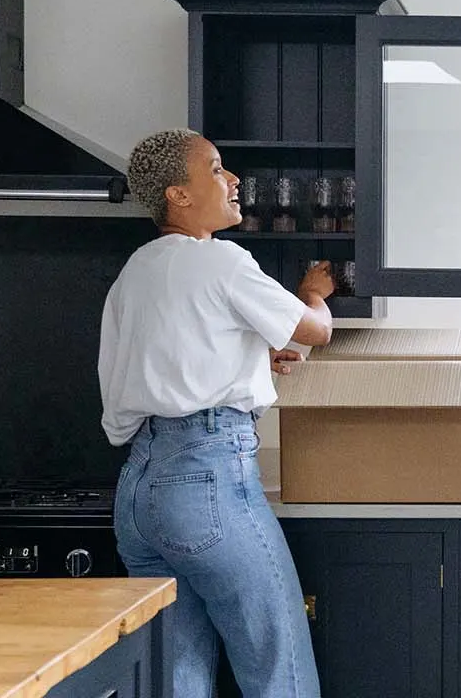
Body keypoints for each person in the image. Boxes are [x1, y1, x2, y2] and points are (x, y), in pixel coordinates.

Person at [98, 128, 335, 697]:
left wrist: (250, 354)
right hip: (207, 477)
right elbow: (316, 333)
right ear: (178, 194)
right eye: (216, 168)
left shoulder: (136, 272)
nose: (232, 181)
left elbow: (176, 354)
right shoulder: (220, 260)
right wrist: (315, 291)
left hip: (138, 491)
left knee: (172, 677)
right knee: (279, 664)